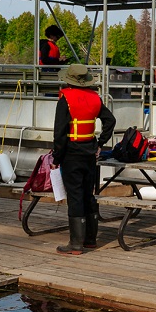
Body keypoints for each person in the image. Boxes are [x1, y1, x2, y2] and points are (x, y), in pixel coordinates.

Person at [52, 63, 116, 255]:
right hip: (89, 152)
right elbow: (110, 120)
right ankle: (90, 240)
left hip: (71, 153)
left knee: (75, 196)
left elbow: (60, 132)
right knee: (88, 194)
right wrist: (100, 143)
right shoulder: (95, 98)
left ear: (69, 80)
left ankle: (75, 244)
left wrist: (56, 156)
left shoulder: (65, 98)